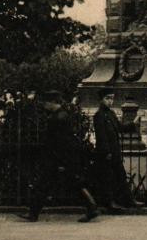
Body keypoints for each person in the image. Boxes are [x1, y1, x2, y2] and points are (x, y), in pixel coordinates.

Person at [20, 90, 98, 223]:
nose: (44, 106)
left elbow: (58, 142)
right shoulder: (63, 115)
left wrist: (60, 161)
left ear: (52, 102)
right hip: (63, 157)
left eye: (46, 103)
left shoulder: (57, 118)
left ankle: (33, 213)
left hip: (58, 158)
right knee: (68, 183)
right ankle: (33, 213)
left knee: (48, 184)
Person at [93, 88, 143, 211]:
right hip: (106, 153)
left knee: (121, 176)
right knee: (108, 178)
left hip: (115, 152)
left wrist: (134, 121)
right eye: (107, 98)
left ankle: (129, 201)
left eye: (112, 98)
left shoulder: (111, 114)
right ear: (101, 100)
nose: (110, 101)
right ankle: (110, 203)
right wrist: (107, 152)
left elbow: (121, 127)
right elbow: (101, 136)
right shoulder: (98, 116)